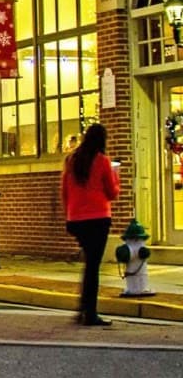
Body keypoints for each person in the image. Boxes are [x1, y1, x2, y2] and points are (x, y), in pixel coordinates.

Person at [62, 122, 119, 327]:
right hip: (98, 218)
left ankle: (83, 309)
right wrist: (117, 179)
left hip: (76, 219)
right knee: (93, 267)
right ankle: (90, 313)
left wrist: (69, 215)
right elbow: (112, 192)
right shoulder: (102, 161)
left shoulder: (71, 160)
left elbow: (65, 191)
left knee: (90, 265)